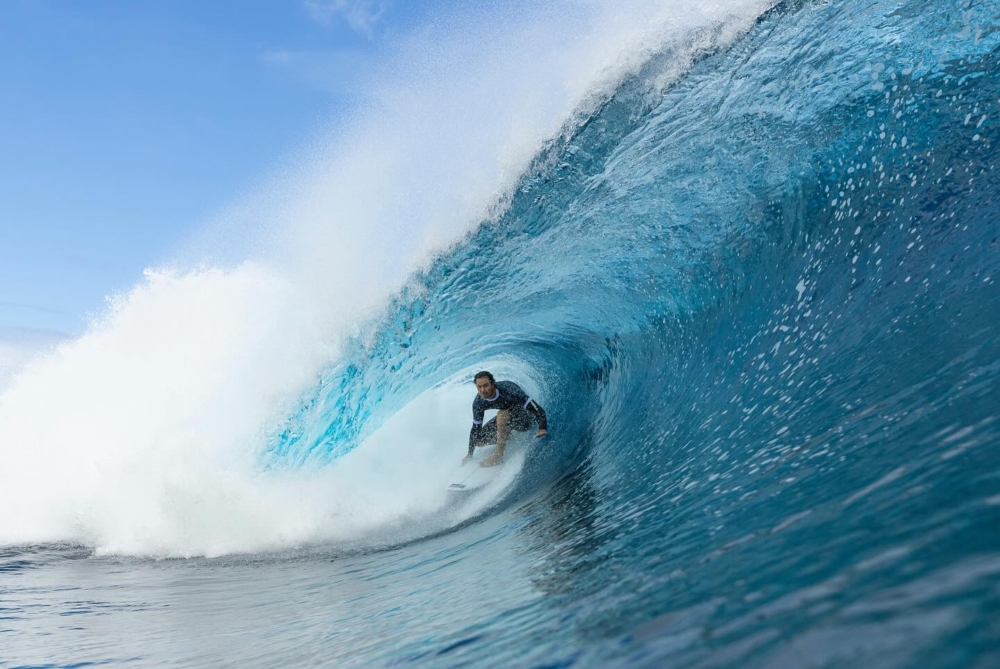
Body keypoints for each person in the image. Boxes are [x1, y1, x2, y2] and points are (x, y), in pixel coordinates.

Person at [464, 371, 547, 467]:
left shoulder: (509, 390)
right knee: (478, 440)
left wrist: (542, 428)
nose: (482, 390)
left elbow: (538, 410)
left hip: (526, 420)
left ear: (492, 383)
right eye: (479, 387)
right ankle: (507, 436)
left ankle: (498, 456)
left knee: (502, 415)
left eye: (486, 385)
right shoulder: (479, 402)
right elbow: (475, 429)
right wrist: (469, 454)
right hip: (510, 420)